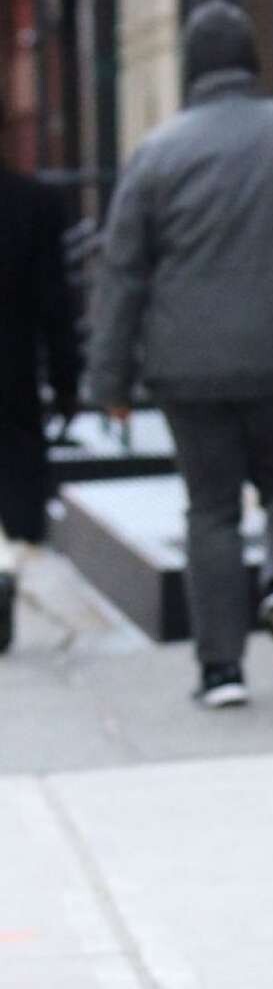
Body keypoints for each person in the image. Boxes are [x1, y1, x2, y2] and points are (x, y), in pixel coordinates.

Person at [86, 0, 273, 707]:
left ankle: (221, 670)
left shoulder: (156, 155)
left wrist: (110, 380)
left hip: (188, 367)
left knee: (210, 509)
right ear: (254, 61)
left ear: (191, 69)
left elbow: (122, 274)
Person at [0, 121, 80, 656]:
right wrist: (66, 379)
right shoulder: (32, 203)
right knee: (14, 484)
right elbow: (55, 303)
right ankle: (4, 565)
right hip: (13, 372)